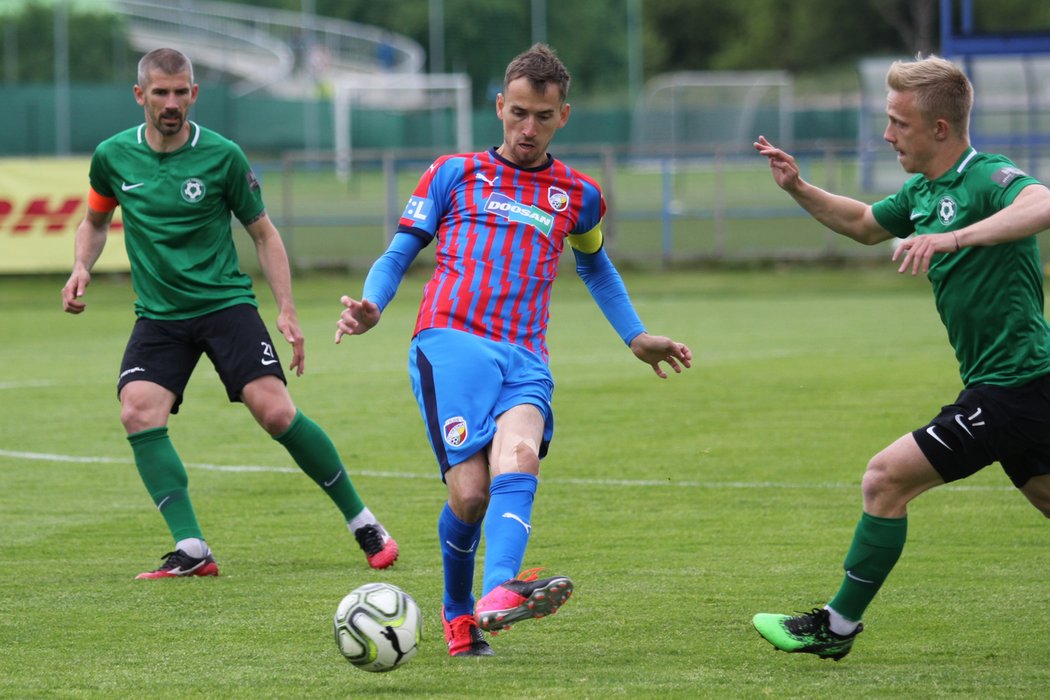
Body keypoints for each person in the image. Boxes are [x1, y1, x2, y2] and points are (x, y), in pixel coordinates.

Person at [335, 43, 692, 657]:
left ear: (563, 116)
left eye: (543, 116)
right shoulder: (453, 173)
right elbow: (399, 252)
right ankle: (457, 613)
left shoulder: (578, 195)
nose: (528, 129)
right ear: (500, 106)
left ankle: (498, 592)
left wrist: (635, 336)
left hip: (525, 357)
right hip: (451, 340)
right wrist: (373, 304)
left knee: (520, 455)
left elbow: (597, 268)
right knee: (470, 494)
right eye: (519, 113)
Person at [751, 54, 1050, 660]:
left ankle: (835, 626)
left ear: (940, 128)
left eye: (898, 124)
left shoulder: (987, 176)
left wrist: (955, 236)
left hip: (1014, 388)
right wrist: (800, 186)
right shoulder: (921, 191)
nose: (887, 136)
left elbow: (1042, 203)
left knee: (884, 479)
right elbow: (863, 223)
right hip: (1015, 387)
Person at [61, 48, 398, 579]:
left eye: (181, 92)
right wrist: (82, 264)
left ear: (194, 93)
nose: (171, 103)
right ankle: (192, 549)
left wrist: (286, 308)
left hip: (225, 305)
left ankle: (364, 522)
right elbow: (95, 221)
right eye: (160, 92)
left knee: (277, 413)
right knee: (137, 411)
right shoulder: (112, 156)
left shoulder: (222, 156)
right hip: (159, 314)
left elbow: (263, 233)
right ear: (140, 95)